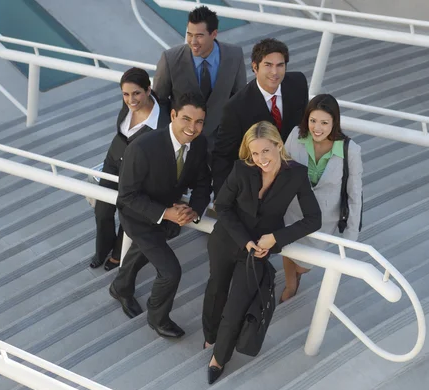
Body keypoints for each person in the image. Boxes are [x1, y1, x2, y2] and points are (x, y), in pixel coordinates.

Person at [203, 121, 321, 384]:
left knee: (236, 306)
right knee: (216, 289)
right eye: (255, 153)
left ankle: (218, 358)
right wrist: (245, 240)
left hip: (260, 249)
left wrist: (276, 239)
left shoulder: (297, 174)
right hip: (227, 240)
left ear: (278, 145)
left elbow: (314, 219)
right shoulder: (241, 168)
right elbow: (222, 206)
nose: (260, 159)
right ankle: (209, 334)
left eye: (265, 151)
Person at [109, 92, 212, 338]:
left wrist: (194, 210)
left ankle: (120, 287)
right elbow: (126, 197)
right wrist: (166, 213)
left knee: (142, 252)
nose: (193, 128)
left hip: (169, 212)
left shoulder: (199, 143)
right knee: (170, 271)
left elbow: (203, 181)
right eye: (186, 119)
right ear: (173, 115)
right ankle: (157, 318)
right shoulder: (142, 147)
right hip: (138, 217)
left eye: (199, 122)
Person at [280, 94, 363, 303]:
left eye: (324, 122)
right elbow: (282, 171)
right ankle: (290, 284)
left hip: (323, 220)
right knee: (287, 249)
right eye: (313, 120)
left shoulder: (350, 150)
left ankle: (297, 275)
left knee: (304, 265)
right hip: (292, 210)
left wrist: (351, 237)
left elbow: (354, 195)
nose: (317, 128)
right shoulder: (295, 136)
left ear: (334, 122)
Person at [90, 67, 170, 271]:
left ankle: (117, 254)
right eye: (125, 94)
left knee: (128, 213)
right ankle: (102, 249)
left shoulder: (162, 123)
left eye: (136, 93)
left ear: (148, 90)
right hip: (114, 157)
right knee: (102, 209)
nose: (130, 99)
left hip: (137, 170)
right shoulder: (128, 104)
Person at [211, 38, 309, 197]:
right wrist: (223, 200)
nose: (275, 72)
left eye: (280, 65)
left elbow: (305, 125)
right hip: (259, 186)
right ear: (255, 68)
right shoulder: (236, 107)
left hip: (295, 175)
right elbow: (223, 156)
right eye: (268, 65)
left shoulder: (298, 83)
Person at [153, 5, 247, 153]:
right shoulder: (170, 59)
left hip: (220, 142)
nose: (193, 41)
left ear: (214, 33)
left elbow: (239, 97)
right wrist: (171, 136)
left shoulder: (235, 55)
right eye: (189, 34)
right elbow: (160, 102)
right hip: (182, 141)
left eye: (199, 36)